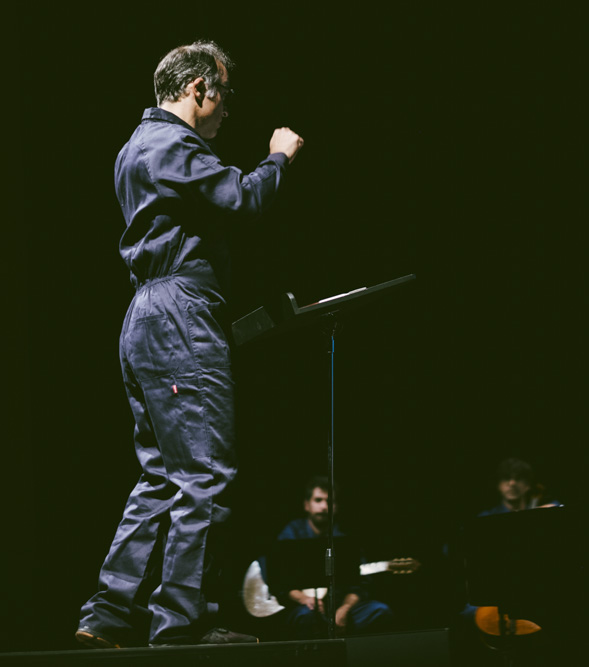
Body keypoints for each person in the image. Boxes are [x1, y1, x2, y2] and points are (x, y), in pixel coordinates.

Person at [76, 40, 304, 649]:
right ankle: (182, 623)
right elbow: (243, 197)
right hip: (180, 312)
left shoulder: (132, 147)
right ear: (199, 88)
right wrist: (278, 157)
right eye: (225, 94)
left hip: (145, 315)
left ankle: (107, 614)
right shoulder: (172, 144)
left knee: (159, 475)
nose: (228, 109)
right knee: (205, 473)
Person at [269, 477, 394, 639]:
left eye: (329, 501)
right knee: (305, 616)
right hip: (306, 608)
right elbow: (280, 579)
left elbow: (359, 585)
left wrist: (344, 609)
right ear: (306, 505)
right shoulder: (292, 533)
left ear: (336, 507)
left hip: (339, 607)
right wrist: (304, 598)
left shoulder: (344, 537)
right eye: (318, 500)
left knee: (379, 611)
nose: (323, 506)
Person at [478, 458, 560, 516]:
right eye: (506, 478)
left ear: (528, 485)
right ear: (498, 485)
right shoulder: (486, 516)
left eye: (518, 478)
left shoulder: (539, 509)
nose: (512, 483)